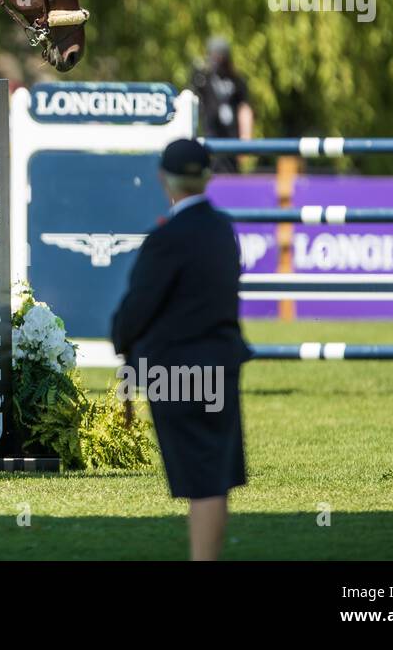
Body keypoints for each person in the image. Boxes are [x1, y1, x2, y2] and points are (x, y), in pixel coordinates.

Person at [110, 139, 253, 560]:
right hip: (221, 366)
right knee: (214, 479)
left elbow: (137, 308)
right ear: (208, 176)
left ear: (164, 179)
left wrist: (123, 348)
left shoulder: (166, 238)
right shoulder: (223, 229)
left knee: (202, 480)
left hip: (177, 372)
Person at [189, 36, 253, 172]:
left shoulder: (237, 80)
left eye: (220, 56)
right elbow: (192, 102)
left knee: (231, 178)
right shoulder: (203, 79)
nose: (217, 60)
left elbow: (244, 108)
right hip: (210, 138)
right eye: (214, 55)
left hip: (232, 140)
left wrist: (245, 137)